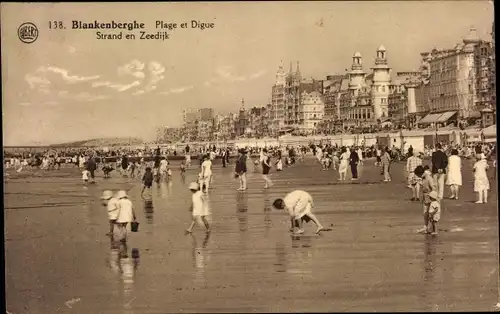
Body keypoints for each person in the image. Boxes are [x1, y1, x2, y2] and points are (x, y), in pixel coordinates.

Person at [414, 165, 437, 234]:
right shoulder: (424, 177)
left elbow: (433, 188)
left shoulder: (428, 178)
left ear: (420, 173)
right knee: (425, 213)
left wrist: (434, 200)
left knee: (431, 214)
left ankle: (432, 229)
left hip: (430, 198)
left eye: (418, 175)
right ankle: (426, 227)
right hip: (425, 197)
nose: (418, 176)